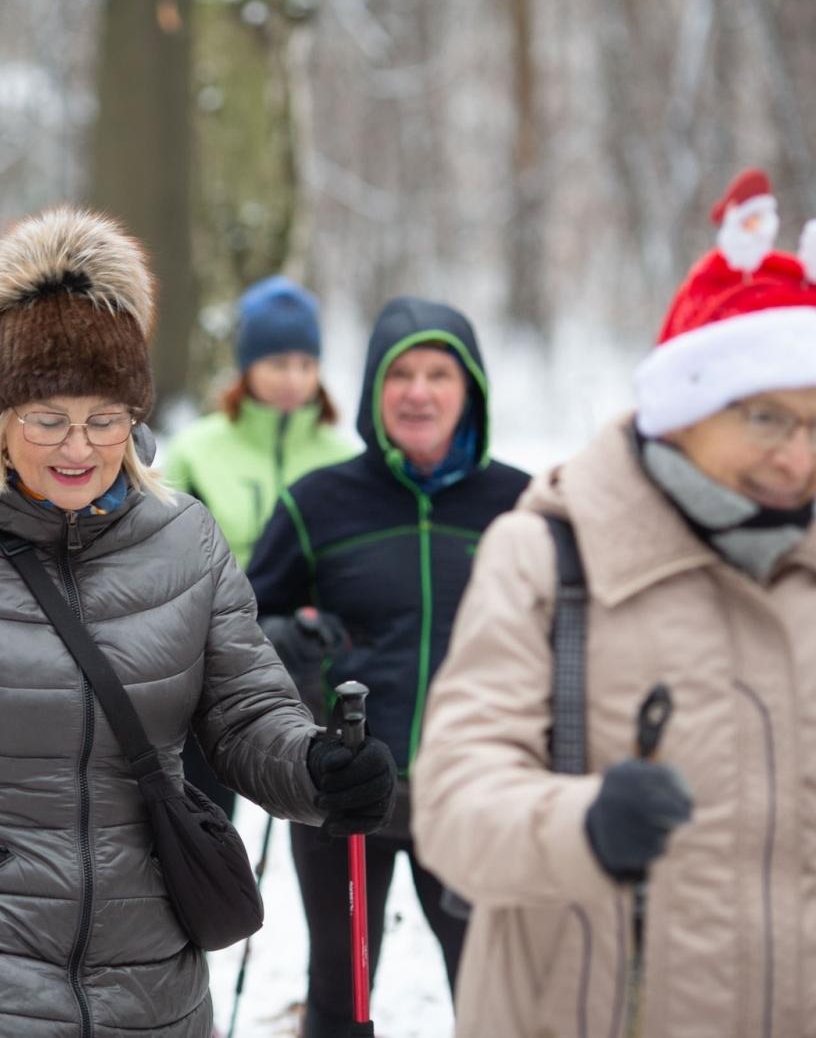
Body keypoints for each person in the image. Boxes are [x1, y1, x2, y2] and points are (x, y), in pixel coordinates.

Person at [0, 206, 398, 1037]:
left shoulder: (185, 540)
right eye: (47, 418)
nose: (80, 446)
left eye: (106, 417)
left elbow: (248, 713)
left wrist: (318, 768)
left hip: (151, 991)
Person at [412, 169, 816, 1037]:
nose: (795, 457)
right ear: (681, 408)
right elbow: (450, 803)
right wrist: (583, 825)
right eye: (765, 418)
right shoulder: (552, 554)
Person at [246, 296, 530, 1037]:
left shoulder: (523, 506)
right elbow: (240, 631)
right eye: (399, 373)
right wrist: (288, 637)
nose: (419, 390)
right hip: (346, 793)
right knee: (341, 1002)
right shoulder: (318, 504)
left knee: (497, 999)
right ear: (374, 390)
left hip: (474, 795)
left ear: (470, 389)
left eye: (440, 372)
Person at [163, 276, 357, 819]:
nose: (293, 378)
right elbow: (167, 556)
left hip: (316, 667)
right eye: (277, 363)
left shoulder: (341, 456)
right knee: (205, 821)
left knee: (323, 812)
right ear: (246, 367)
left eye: (305, 363)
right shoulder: (197, 450)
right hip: (211, 667)